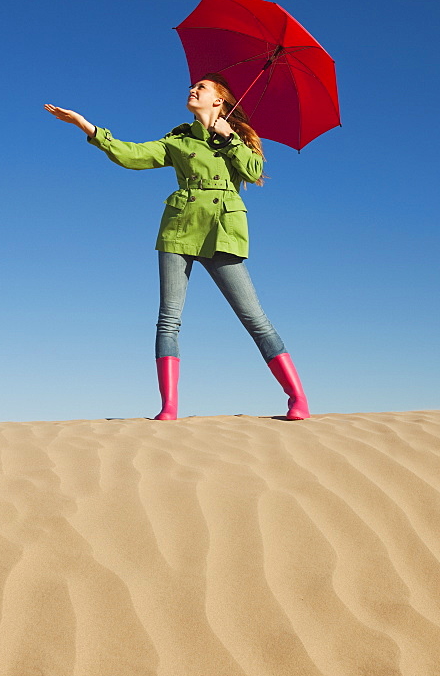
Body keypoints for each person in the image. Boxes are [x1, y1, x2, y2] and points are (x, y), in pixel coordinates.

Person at [44, 74, 310, 421]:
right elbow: (134, 155)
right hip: (179, 228)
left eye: (202, 88)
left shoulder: (237, 138)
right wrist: (88, 127)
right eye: (193, 86)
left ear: (219, 101)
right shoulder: (179, 139)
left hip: (221, 231)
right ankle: (168, 407)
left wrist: (229, 139)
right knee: (168, 320)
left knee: (254, 319)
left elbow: (254, 169)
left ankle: (298, 398)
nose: (192, 90)